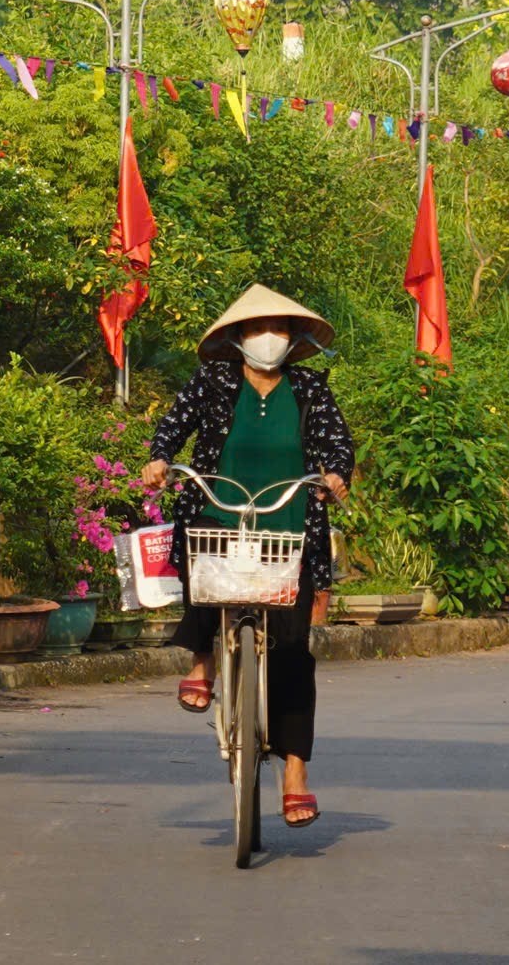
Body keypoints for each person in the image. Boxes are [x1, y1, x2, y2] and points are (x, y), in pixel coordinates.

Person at [138, 284, 355, 829]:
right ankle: (201, 663)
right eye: (260, 328)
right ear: (238, 338)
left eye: (280, 329)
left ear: (294, 339)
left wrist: (334, 475)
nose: (270, 338)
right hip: (220, 518)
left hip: (290, 530)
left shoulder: (309, 389)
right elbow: (173, 423)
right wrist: (161, 458)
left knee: (292, 654)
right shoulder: (212, 382)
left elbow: (337, 445)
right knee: (206, 573)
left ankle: (296, 773)